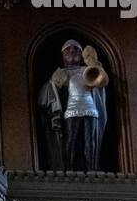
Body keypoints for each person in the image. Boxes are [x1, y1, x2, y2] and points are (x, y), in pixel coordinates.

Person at [38, 39, 107, 172]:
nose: (72, 51)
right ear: (62, 54)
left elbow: (101, 83)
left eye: (76, 49)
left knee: (90, 139)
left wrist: (94, 63)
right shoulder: (60, 73)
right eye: (68, 49)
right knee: (70, 139)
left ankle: (92, 168)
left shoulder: (88, 69)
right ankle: (67, 169)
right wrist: (53, 84)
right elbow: (47, 91)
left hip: (90, 109)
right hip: (71, 110)